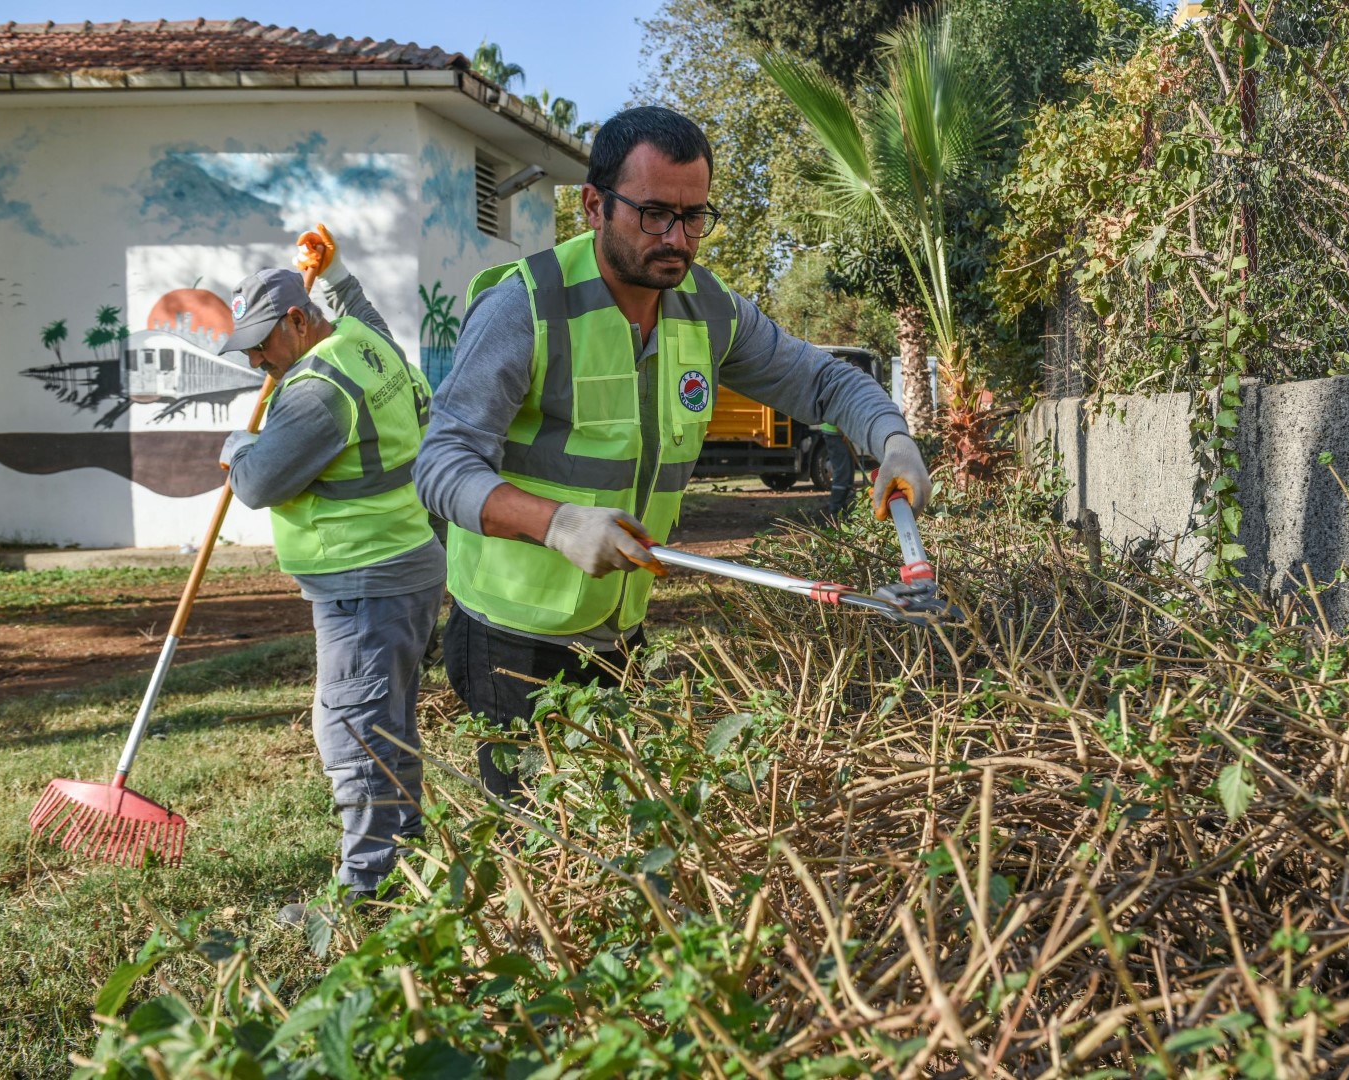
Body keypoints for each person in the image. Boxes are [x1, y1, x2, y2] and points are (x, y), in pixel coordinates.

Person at [415, 106, 932, 800]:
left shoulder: (707, 308)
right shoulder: (527, 308)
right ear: (595, 205)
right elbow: (441, 466)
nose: (678, 240)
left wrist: (891, 438)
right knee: (547, 846)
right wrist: (557, 523)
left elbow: (823, 379)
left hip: (618, 627)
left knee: (616, 831)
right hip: (512, 634)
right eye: (655, 214)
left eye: (695, 218)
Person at [218, 228, 444, 920]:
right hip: (404, 568)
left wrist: (237, 444)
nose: (256, 358)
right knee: (386, 723)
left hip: (364, 585)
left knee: (353, 733)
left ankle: (366, 893)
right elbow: (365, 307)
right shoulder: (365, 344)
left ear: (296, 319)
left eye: (263, 341)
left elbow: (256, 483)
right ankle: (405, 861)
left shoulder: (317, 391)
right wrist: (335, 269)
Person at [817, 422, 859, 519]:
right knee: (842, 473)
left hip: (838, 430)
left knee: (848, 472)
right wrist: (842, 428)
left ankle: (843, 509)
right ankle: (835, 511)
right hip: (834, 430)